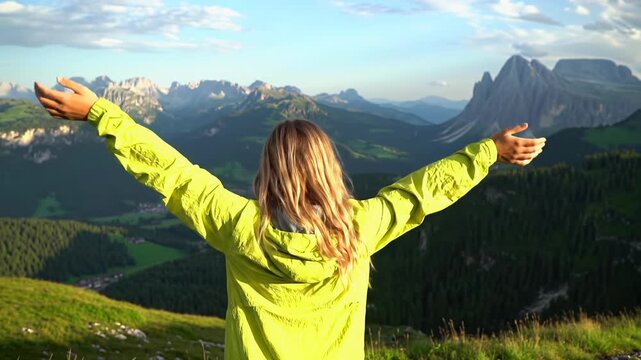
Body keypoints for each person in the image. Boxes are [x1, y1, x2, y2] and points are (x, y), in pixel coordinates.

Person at [34, 77, 545, 359]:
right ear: (330, 168)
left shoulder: (240, 228)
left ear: (268, 172)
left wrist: (102, 113)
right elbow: (421, 194)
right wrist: (487, 152)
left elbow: (172, 173)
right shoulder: (359, 229)